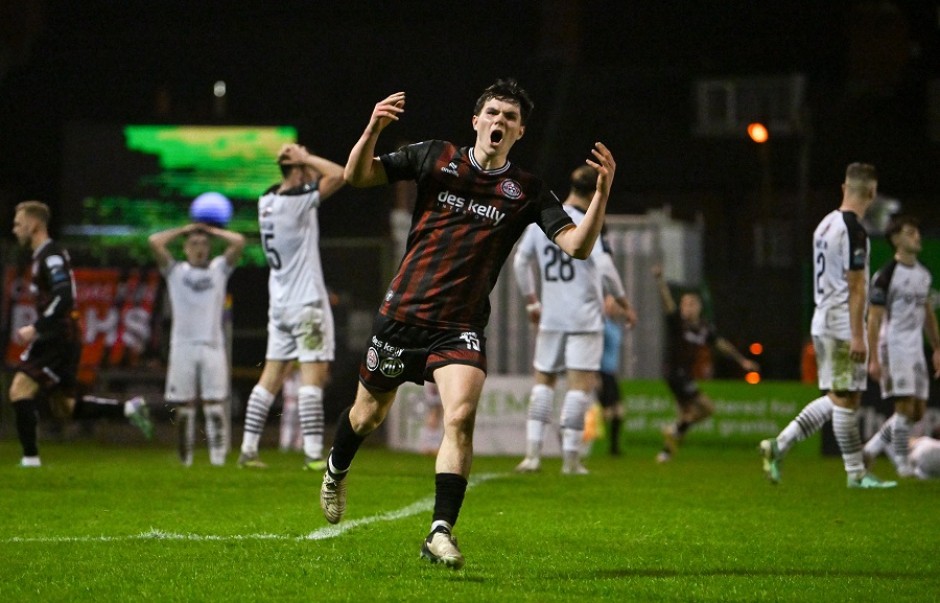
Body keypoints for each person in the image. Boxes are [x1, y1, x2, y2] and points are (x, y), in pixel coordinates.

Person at [319, 79, 616, 569]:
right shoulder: (435, 157)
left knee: (459, 417)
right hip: (402, 316)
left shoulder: (525, 190)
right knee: (366, 417)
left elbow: (578, 247)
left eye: (511, 117)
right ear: (476, 120)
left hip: (459, 325)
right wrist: (372, 128)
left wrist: (601, 194)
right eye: (493, 113)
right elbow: (358, 177)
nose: (500, 121)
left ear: (520, 132)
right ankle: (336, 469)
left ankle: (440, 531)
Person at [760, 162, 896, 488]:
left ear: (843, 188)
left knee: (846, 398)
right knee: (843, 397)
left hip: (822, 318)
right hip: (840, 320)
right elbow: (857, 286)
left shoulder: (824, 225)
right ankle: (784, 446)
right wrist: (859, 335)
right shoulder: (854, 230)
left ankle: (851, 472)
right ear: (872, 193)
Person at [8, 200, 152, 467]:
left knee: (19, 390)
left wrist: (36, 328)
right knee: (66, 407)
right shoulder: (42, 256)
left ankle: (30, 459)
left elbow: (64, 296)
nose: (14, 229)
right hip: (63, 334)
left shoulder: (50, 255)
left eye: (18, 223)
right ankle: (128, 409)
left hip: (57, 335)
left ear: (33, 224)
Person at [512, 165, 635, 474]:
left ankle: (532, 455)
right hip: (584, 318)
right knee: (579, 388)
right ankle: (570, 459)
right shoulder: (589, 224)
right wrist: (622, 301)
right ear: (596, 192)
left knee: (544, 384)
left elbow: (520, 260)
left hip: (551, 316)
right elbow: (605, 268)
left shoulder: (545, 219)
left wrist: (531, 302)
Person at [237, 143, 345, 471]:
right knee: (314, 376)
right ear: (297, 170)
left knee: (270, 377)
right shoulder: (296, 202)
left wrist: (299, 162)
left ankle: (247, 449)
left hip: (280, 305)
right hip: (306, 305)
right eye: (305, 167)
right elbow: (340, 174)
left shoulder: (266, 200)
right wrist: (307, 158)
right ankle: (313, 455)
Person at [149, 221, 245, 466]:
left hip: (212, 345)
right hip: (183, 345)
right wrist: (183, 230)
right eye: (194, 244)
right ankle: (186, 460)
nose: (199, 248)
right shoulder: (175, 271)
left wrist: (211, 230)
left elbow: (239, 242)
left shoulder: (218, 269)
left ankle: (218, 460)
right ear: (185, 249)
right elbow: (154, 242)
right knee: (184, 407)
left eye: (204, 244)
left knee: (215, 404)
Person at [651, 265, 758, 463]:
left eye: (690, 304)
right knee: (707, 408)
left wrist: (741, 360)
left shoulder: (704, 328)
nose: (686, 308)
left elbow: (721, 344)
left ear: (698, 307)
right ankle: (674, 431)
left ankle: (666, 452)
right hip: (674, 373)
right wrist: (660, 281)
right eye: (684, 305)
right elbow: (667, 303)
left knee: (686, 416)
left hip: (686, 375)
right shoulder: (678, 323)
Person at [862, 215, 940, 477]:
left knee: (916, 412)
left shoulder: (923, 275)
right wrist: (873, 357)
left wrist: (937, 347)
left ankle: (871, 449)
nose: (916, 236)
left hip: (916, 346)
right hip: (893, 344)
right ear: (896, 239)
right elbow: (873, 318)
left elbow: (928, 313)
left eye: (917, 232)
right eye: (910, 233)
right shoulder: (885, 275)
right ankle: (903, 465)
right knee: (904, 407)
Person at [598, 293, 633, 456]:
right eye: (610, 305)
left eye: (615, 306)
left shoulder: (615, 326)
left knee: (618, 412)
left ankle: (614, 449)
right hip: (601, 373)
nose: (613, 308)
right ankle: (568, 433)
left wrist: (627, 312)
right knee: (606, 413)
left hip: (611, 373)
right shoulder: (601, 325)